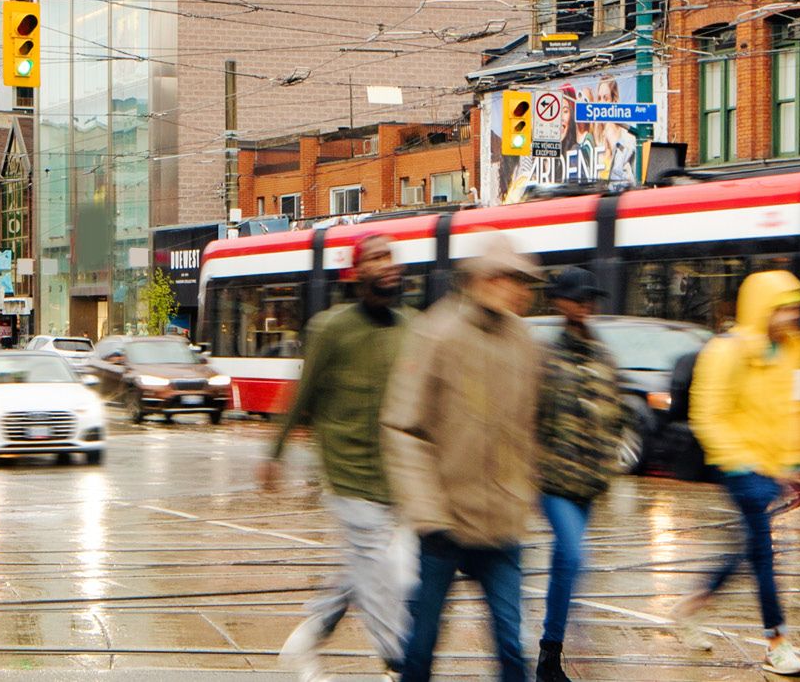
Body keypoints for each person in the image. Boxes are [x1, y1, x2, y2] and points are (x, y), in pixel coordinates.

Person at [382, 233, 543, 682]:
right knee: (424, 639)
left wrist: (525, 489)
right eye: (514, 280)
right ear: (486, 280)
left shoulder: (523, 342)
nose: (521, 292)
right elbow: (404, 428)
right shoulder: (437, 333)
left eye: (523, 282)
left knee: (512, 643)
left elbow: (529, 427)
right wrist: (428, 512)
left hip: (502, 524)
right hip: (445, 522)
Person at [259, 234, 412, 679]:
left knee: (364, 568)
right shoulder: (330, 328)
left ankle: (309, 635)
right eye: (377, 257)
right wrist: (275, 452)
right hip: (346, 475)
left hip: (394, 477)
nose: (388, 265)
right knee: (379, 574)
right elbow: (301, 392)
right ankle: (396, 661)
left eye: (392, 257)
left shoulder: (411, 327)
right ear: (356, 272)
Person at [672, 270, 800, 676]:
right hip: (739, 468)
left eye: (795, 307)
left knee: (747, 551)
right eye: (783, 307)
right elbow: (708, 414)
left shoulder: (786, 352)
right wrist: (739, 462)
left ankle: (690, 608)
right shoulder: (728, 351)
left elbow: (788, 412)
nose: (791, 316)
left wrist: (788, 461)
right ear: (762, 308)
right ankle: (777, 643)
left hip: (766, 470)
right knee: (764, 556)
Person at [532, 268, 629, 682]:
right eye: (579, 298)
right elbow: (529, 417)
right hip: (552, 481)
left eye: (591, 298)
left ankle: (549, 659)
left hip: (587, 483)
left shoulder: (603, 356)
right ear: (561, 302)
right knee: (572, 555)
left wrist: (607, 463)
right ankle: (548, 653)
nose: (587, 304)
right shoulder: (548, 357)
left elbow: (615, 414)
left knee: (563, 564)